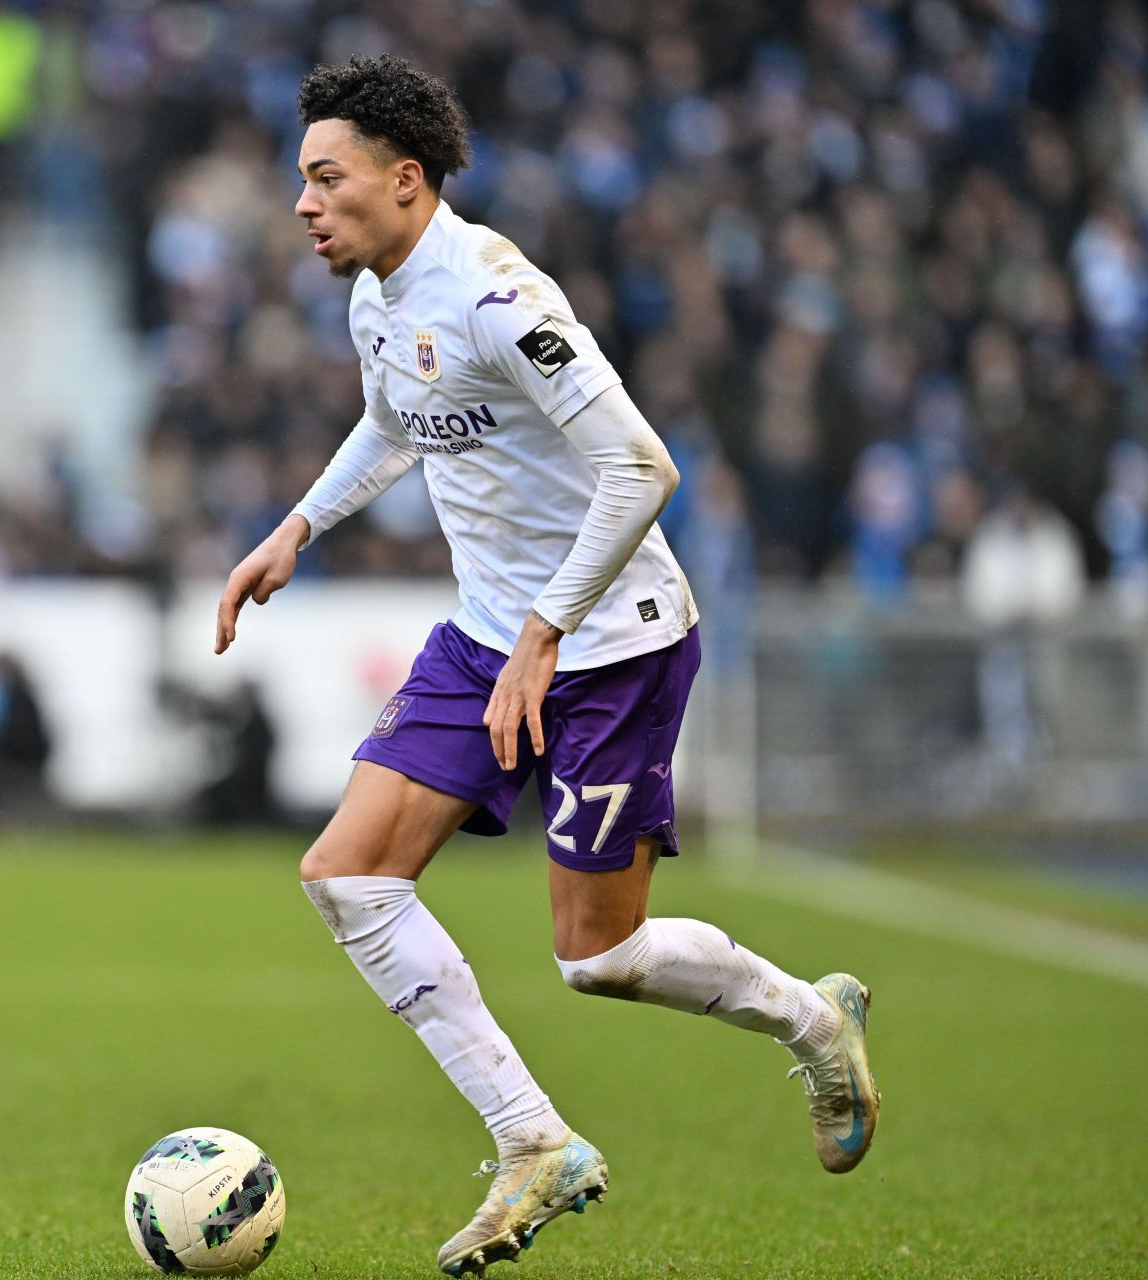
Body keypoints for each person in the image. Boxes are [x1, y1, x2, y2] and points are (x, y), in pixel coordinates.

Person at [214, 55, 879, 1277]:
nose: (303, 205)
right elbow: (393, 417)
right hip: (489, 636)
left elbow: (643, 466)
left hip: (613, 639)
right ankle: (532, 1140)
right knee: (348, 875)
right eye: (299, 182)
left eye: (325, 179)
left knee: (597, 956)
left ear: (403, 180)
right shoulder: (378, 294)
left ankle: (811, 1017)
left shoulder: (499, 297)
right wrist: (298, 524)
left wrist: (548, 630)